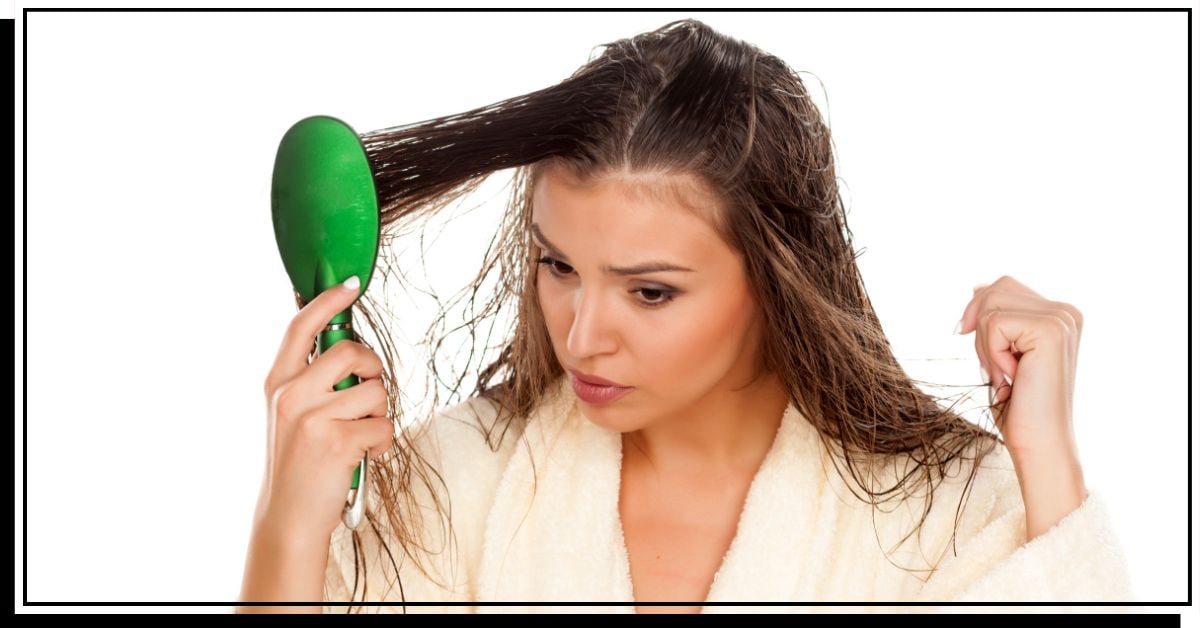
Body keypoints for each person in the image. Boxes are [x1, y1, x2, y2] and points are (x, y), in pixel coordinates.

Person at [236, 19, 1139, 613]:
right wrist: (290, 519)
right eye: (558, 266)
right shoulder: (468, 481)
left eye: (650, 291)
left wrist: (1047, 458)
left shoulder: (945, 510)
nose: (582, 334)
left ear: (775, 277)